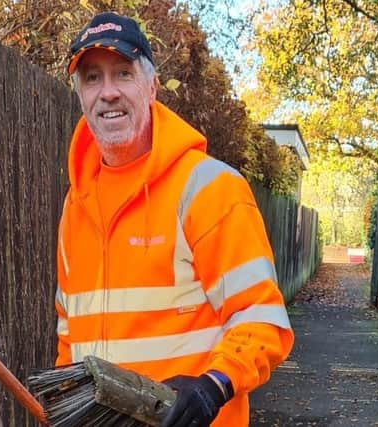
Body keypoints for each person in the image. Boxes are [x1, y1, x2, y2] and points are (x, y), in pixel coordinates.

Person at [55, 11, 294, 427]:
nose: (107, 92)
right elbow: (69, 336)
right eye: (92, 78)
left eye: (123, 74)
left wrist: (214, 385)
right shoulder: (77, 205)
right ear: (79, 95)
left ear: (151, 86)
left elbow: (260, 317)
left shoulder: (208, 189)